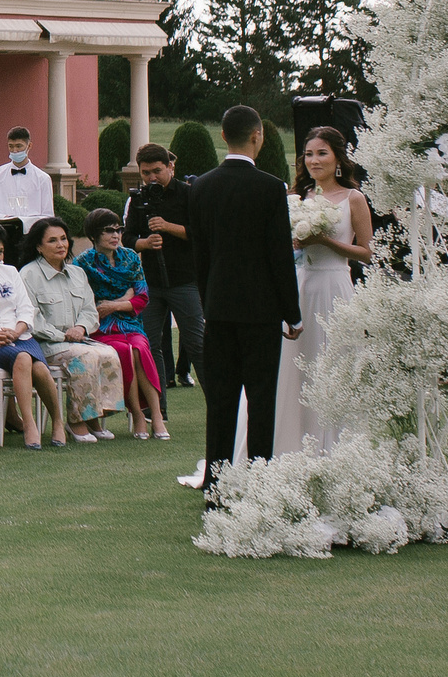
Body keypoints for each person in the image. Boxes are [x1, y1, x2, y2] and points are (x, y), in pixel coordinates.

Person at [190, 104, 301, 501]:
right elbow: (279, 257)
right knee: (261, 400)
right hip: (261, 312)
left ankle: (216, 489)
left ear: (223, 136)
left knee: (220, 403)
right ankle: (258, 486)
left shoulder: (201, 187)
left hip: (218, 310)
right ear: (258, 136)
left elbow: (200, 256)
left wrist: (208, 303)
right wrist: (292, 314)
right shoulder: (271, 188)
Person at [269, 127, 373, 458]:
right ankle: (293, 444)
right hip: (302, 284)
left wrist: (324, 241)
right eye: (309, 154)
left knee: (332, 362)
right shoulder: (298, 198)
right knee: (297, 365)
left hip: (335, 285)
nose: (314, 160)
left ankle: (336, 449)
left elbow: (367, 253)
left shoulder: (353, 198)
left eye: (322, 153)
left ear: (338, 158)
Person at [0, 220, 62, 449]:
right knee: (24, 359)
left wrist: (16, 332)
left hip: (20, 337)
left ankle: (57, 422)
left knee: (39, 368)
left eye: (0, 251)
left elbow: (26, 309)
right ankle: (30, 424)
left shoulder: (10, 272)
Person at [22, 218, 124, 443]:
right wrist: (64, 335)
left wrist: (80, 327)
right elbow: (31, 318)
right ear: (38, 246)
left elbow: (89, 310)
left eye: (63, 239)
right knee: (84, 357)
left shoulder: (77, 273)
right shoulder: (28, 275)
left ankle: (94, 417)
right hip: (46, 344)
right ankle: (76, 422)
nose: (60, 244)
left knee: (109, 353)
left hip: (77, 339)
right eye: (52, 240)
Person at [75, 210, 169, 439]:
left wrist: (115, 305)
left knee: (140, 349)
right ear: (94, 235)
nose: (115, 235)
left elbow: (142, 297)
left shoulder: (131, 257)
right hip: (101, 327)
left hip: (130, 323)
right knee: (124, 351)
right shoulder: (82, 263)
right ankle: (137, 414)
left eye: (119, 229)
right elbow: (88, 304)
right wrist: (125, 298)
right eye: (109, 230)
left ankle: (156, 415)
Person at [123, 143, 202, 390]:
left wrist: (168, 227)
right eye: (145, 173)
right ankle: (158, 407)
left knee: (197, 343)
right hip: (151, 283)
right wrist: (144, 243)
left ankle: (218, 405)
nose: (151, 177)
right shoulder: (138, 198)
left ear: (170, 167)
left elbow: (202, 234)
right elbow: (127, 238)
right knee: (149, 345)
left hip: (185, 280)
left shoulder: (189, 194)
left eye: (157, 171)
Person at [0, 128, 58, 265]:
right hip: (2, 235)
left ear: (29, 146)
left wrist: (26, 222)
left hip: (31, 236)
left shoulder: (42, 178)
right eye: (11, 146)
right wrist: (5, 217)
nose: (15, 151)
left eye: (19, 146)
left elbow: (47, 215)